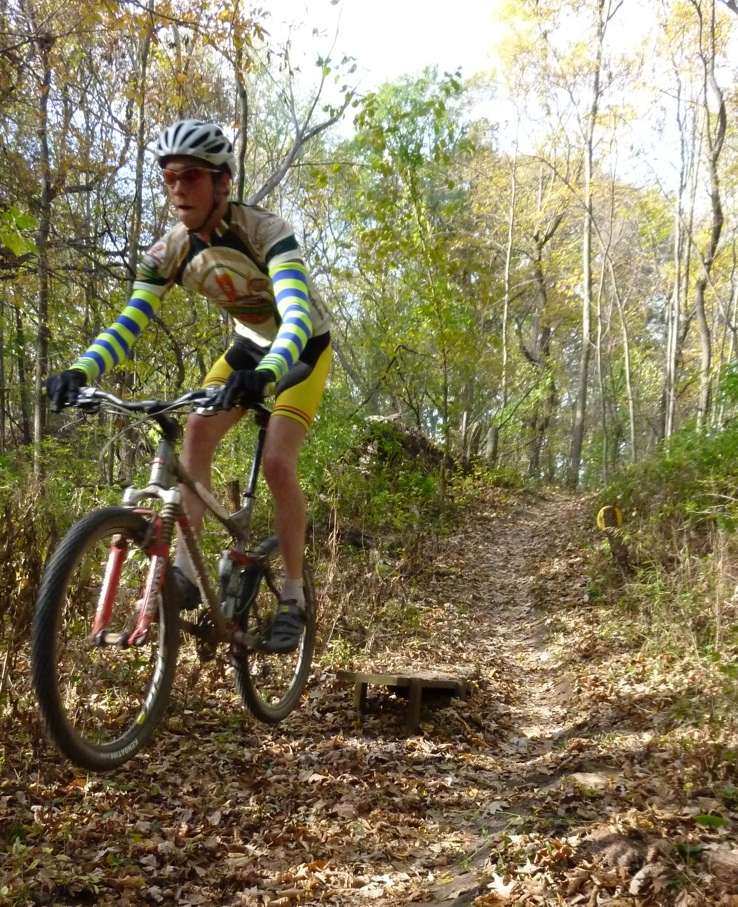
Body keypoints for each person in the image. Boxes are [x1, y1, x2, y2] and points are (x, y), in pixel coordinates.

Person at [46, 119, 332, 654]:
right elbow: (129, 322)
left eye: (192, 176)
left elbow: (295, 314)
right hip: (249, 344)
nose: (178, 188)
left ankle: (293, 596)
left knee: (277, 463)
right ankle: (184, 574)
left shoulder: (266, 231)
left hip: (303, 349)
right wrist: (81, 370)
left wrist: (267, 374)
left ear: (222, 182)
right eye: (170, 177)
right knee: (197, 429)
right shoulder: (169, 251)